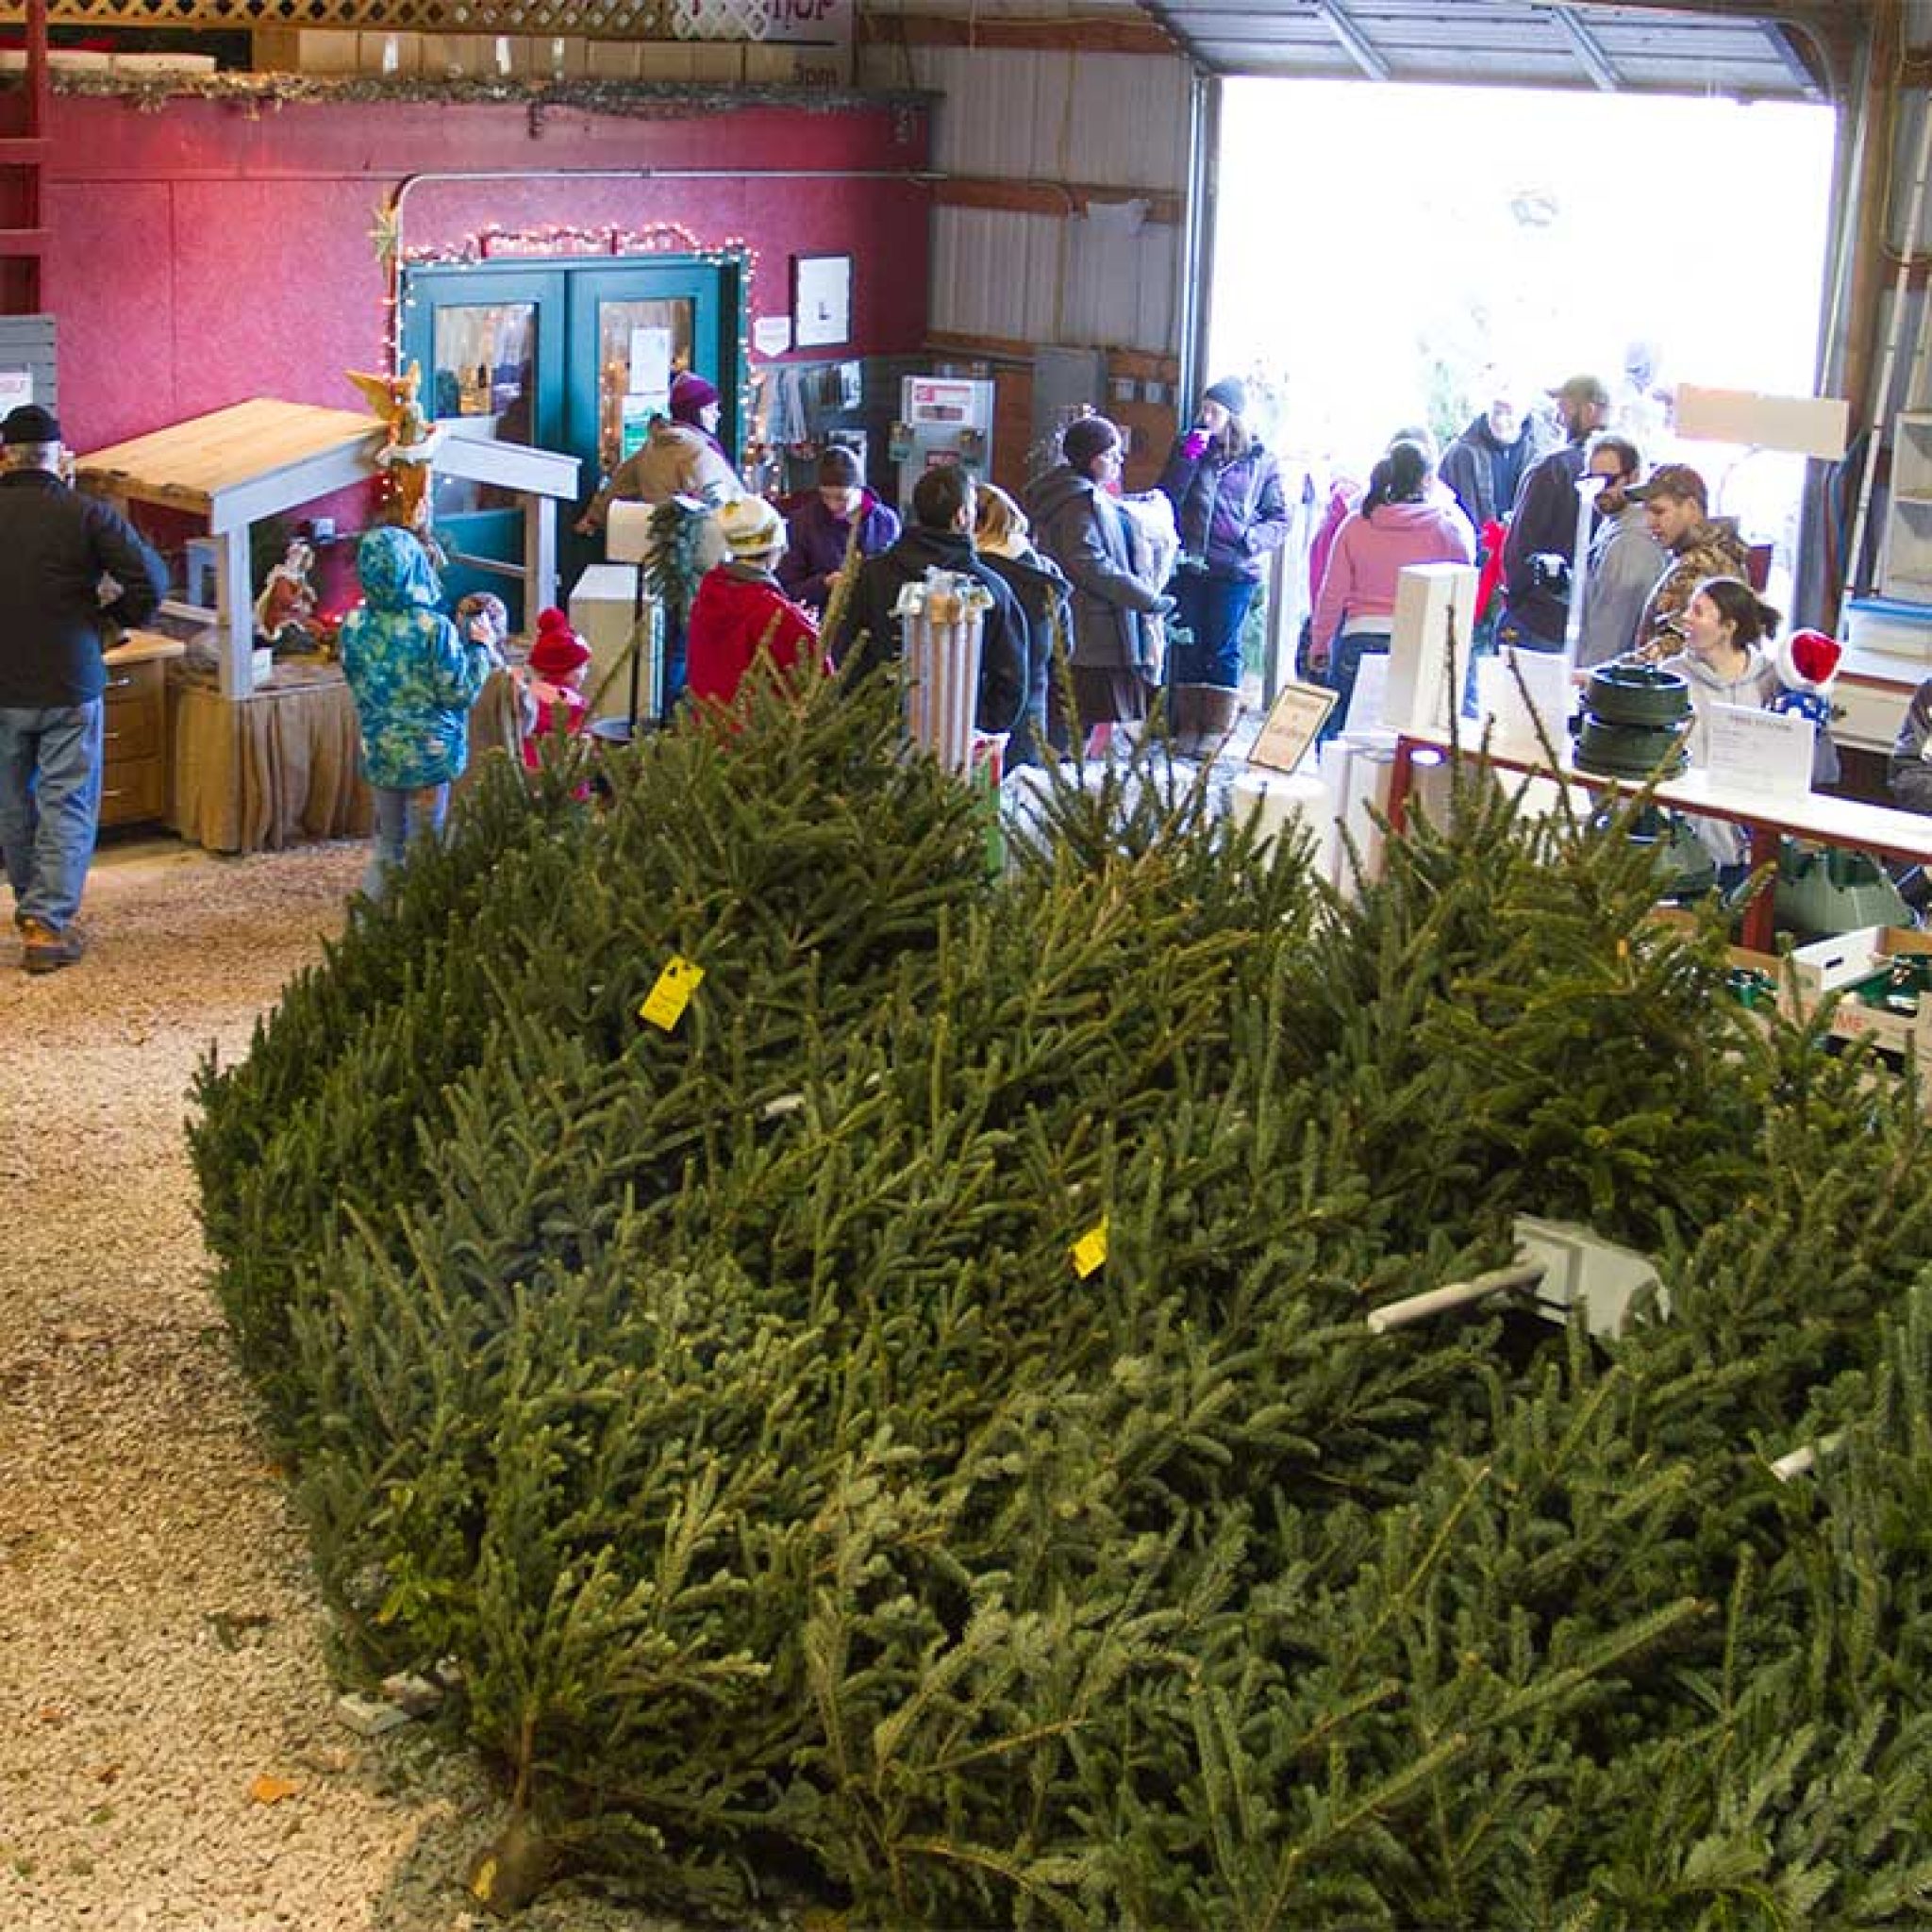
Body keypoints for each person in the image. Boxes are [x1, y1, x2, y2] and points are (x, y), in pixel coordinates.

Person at [0, 404, 169, 973]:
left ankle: (32, 907)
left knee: (11, 802)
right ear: (58, 457)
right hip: (70, 677)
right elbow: (153, 579)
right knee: (66, 797)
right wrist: (110, 624)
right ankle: (46, 923)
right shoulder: (87, 514)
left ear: (5, 456)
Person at [338, 525, 500, 900]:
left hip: (379, 748)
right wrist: (479, 649)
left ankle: (368, 930)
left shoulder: (353, 625)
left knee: (389, 844)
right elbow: (459, 693)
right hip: (430, 754)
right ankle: (418, 930)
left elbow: (355, 680)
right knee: (428, 846)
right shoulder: (433, 628)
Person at [830, 463, 1025, 736]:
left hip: (879, 738)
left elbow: (847, 653)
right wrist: (977, 726)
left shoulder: (871, 576)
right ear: (962, 517)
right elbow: (1010, 677)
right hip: (959, 736)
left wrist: (864, 719)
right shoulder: (991, 587)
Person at [1658, 576, 1838, 874]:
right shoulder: (1671, 677)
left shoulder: (1774, 680)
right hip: (1688, 845)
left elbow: (1819, 768)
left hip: (1758, 848)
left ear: (1729, 627)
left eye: (1699, 612)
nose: (1686, 618)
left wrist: (1815, 727)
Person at [1308, 438, 1474, 737]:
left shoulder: (1356, 525)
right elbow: (1461, 595)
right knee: (1404, 740)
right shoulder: (1446, 529)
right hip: (1418, 644)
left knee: (1342, 735)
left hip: (1359, 639)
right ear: (1427, 479)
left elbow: (1331, 594)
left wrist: (1319, 644)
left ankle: (1336, 784)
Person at [1024, 416, 1173, 734]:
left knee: (1073, 719)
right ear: (1095, 459)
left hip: (1081, 626)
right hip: (1088, 632)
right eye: (1113, 454)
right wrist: (1145, 598)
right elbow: (1091, 564)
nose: (1120, 461)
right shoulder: (1079, 503)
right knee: (1074, 723)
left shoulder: (1070, 495)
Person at [1155, 375, 1289, 698]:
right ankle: (1185, 722)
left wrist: (1249, 540)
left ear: (1233, 416)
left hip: (1234, 570)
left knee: (1223, 648)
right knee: (1187, 643)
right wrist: (1187, 460)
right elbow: (1167, 498)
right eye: (1204, 410)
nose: (1205, 418)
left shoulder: (1260, 461)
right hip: (1191, 564)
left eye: (1214, 411)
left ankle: (1216, 725)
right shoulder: (1188, 447)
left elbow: (1279, 517)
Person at [1497, 373, 1612, 651]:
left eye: (1565, 408)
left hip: (1538, 618)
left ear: (1589, 410)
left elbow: (1520, 548)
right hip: (1592, 626)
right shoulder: (1631, 471)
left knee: (1514, 692)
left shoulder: (1554, 468)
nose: (1558, 418)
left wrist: (1516, 597)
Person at [685, 495, 821, 712]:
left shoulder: (705, 599)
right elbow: (818, 675)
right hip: (762, 738)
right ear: (774, 550)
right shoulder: (774, 613)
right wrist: (807, 628)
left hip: (707, 733)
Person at [973, 482, 1071, 765]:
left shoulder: (970, 572)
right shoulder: (1045, 571)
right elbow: (1064, 646)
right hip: (1032, 702)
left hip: (976, 705)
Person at [575, 369, 740, 535]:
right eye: (710, 409)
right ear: (694, 412)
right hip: (692, 541)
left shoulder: (652, 446)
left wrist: (593, 519)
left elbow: (618, 486)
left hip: (657, 539)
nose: (717, 415)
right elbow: (720, 496)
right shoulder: (696, 449)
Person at [1629, 463, 1753, 662]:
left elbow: (1676, 644)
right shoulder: (1721, 555)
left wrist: (1612, 675)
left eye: (1659, 512)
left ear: (1692, 508)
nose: (1650, 523)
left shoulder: (1698, 565)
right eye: (1647, 512)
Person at [1574, 435, 1668, 669]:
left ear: (1633, 478)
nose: (1599, 490)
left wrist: (1587, 683)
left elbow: (1611, 631)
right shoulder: (1614, 522)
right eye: (1591, 479)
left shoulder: (1633, 541)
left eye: (1607, 480)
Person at [776, 445, 901, 614]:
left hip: (873, 617)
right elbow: (786, 588)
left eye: (842, 498)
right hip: (822, 620)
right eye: (825, 496)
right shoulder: (802, 523)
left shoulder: (886, 522)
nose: (833, 505)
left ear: (860, 489)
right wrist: (824, 583)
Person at [1439, 383, 1553, 536]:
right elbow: (1444, 507)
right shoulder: (1460, 454)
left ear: (1524, 415)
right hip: (1475, 550)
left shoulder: (1543, 455)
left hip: (1525, 548)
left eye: (1509, 413)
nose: (1500, 420)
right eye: (1496, 412)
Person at [516, 605, 591, 768]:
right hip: (565, 777)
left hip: (526, 772)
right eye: (583, 667)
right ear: (567, 670)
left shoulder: (527, 694)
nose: (586, 672)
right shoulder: (573, 704)